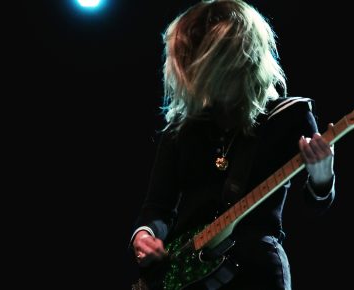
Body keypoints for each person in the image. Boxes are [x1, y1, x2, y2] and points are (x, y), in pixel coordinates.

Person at [129, 0, 335, 289]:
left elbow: (314, 208)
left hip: (257, 270)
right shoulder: (182, 128)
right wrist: (145, 234)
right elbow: (157, 206)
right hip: (187, 275)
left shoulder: (290, 117)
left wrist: (323, 177)